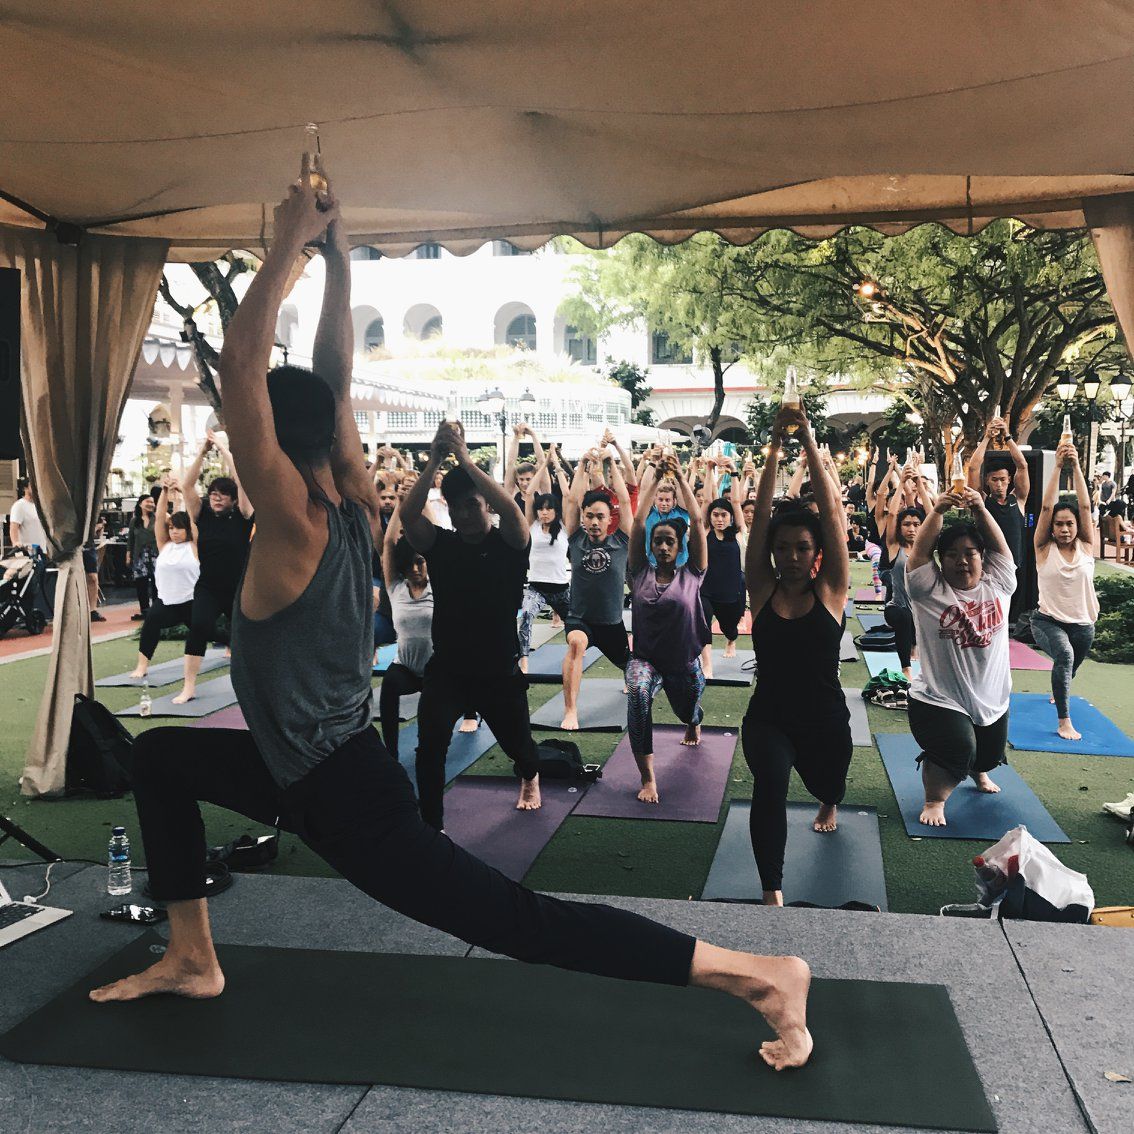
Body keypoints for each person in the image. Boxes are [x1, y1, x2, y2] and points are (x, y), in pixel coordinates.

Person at [90, 171, 812, 1072]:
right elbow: (332, 375)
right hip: (303, 768)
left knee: (518, 922)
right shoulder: (349, 492)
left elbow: (242, 370)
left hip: (343, 792)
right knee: (160, 757)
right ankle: (193, 956)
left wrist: (286, 243)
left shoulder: (292, 520)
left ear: (269, 440)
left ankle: (761, 975)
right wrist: (340, 256)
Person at [400, 419, 544, 824]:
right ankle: (432, 826)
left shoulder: (509, 544)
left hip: (498, 669)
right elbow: (408, 515)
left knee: (520, 747)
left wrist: (464, 458)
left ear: (486, 505)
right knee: (429, 747)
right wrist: (433, 462)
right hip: (448, 669)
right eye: (458, 505)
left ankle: (530, 775)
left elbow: (513, 510)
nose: (465, 513)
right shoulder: (441, 546)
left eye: (474, 504)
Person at [743, 402, 852, 906]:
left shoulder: (830, 591)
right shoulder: (762, 589)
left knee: (830, 782)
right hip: (769, 718)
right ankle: (772, 890)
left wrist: (808, 437)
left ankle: (830, 799)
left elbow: (831, 516)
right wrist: (774, 447)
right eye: (782, 548)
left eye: (801, 548)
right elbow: (762, 514)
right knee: (770, 785)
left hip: (825, 721)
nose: (790, 556)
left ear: (817, 554)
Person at [905, 486, 1016, 826]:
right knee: (957, 748)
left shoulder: (1000, 583)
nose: (962, 560)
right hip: (939, 697)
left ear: (982, 558)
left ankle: (980, 772)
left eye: (970, 553)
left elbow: (1002, 548)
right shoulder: (928, 589)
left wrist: (981, 509)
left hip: (992, 696)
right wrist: (936, 511)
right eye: (951, 554)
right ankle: (934, 799)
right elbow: (918, 555)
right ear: (941, 560)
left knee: (988, 755)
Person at [625, 454, 710, 803]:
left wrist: (680, 480)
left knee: (687, 709)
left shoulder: (693, 573)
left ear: (679, 547)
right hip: (645, 659)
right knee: (638, 694)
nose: (661, 546)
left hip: (683, 662)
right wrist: (654, 476)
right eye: (657, 541)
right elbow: (638, 525)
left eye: (669, 542)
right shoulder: (639, 572)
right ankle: (648, 778)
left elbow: (698, 523)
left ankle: (694, 720)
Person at [560, 443, 634, 731]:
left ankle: (629, 678)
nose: (594, 521)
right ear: (583, 517)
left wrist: (611, 463)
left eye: (600, 516)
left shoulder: (621, 541)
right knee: (576, 644)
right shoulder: (575, 538)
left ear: (609, 519)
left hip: (611, 621)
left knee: (629, 666)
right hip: (580, 617)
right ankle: (570, 711)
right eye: (589, 515)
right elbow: (571, 501)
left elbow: (626, 503)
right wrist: (581, 465)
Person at [177, 431, 254, 703]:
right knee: (198, 626)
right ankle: (189, 686)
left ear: (233, 500)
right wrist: (201, 452)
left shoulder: (243, 516)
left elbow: (243, 483)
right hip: (208, 586)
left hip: (238, 587)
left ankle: (253, 687)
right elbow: (187, 486)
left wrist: (225, 451)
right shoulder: (202, 515)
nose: (216, 498)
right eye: (213, 494)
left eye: (223, 495)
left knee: (245, 637)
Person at [1032, 441, 1099, 741]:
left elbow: (1085, 506)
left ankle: (1060, 689)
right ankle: (1064, 721)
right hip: (1047, 621)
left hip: (1084, 623)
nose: (1064, 529)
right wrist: (1058, 466)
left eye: (1069, 524)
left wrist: (1077, 467)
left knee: (1069, 666)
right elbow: (1047, 507)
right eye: (1058, 524)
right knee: (1066, 656)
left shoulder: (1087, 547)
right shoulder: (1043, 549)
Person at [377, 506, 434, 762]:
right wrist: (401, 504)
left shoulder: (439, 586)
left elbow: (436, 539)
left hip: (438, 670)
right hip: (407, 669)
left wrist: (415, 503)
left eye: (420, 561)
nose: (414, 568)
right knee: (389, 685)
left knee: (432, 715)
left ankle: (468, 713)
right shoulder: (395, 588)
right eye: (408, 563)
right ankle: (391, 753)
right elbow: (388, 543)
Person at [128, 478, 200, 679]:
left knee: (209, 632)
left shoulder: (194, 546)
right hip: (166, 601)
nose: (174, 532)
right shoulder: (164, 545)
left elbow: (194, 517)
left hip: (191, 601)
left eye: (178, 528)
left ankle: (230, 645)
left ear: (187, 530)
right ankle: (142, 666)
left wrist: (184, 492)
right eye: (172, 528)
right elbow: (160, 518)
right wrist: (165, 493)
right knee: (151, 623)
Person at [967, 414, 1030, 618]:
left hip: (1013, 567)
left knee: (1009, 616)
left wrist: (1008, 436)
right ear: (987, 481)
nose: (1000, 484)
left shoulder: (1017, 500)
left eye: (1003, 480)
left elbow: (1022, 465)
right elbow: (973, 467)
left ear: (1009, 480)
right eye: (995, 480)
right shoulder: (982, 501)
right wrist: (986, 438)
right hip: (987, 567)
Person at [517, 491, 570, 672]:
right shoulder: (532, 525)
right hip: (536, 587)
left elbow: (569, 496)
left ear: (556, 511)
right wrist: (544, 461)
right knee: (525, 615)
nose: (544, 513)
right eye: (540, 509)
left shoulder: (564, 527)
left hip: (560, 588)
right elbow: (530, 492)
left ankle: (577, 649)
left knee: (575, 623)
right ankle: (524, 658)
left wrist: (555, 465)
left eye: (548, 509)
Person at [700, 481, 747, 676]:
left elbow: (736, 501)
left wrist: (735, 474)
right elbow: (707, 500)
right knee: (702, 623)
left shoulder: (738, 534)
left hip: (731, 592)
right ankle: (707, 664)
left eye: (723, 515)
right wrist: (709, 471)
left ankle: (731, 640)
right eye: (715, 515)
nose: (719, 519)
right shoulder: (705, 532)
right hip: (706, 591)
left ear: (731, 517)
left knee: (730, 628)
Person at [127, 491, 159, 620]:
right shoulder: (135, 521)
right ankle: (145, 610)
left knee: (157, 583)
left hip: (156, 554)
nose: (151, 504)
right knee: (141, 584)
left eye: (152, 502)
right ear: (140, 504)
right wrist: (128, 555)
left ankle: (157, 610)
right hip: (139, 555)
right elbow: (130, 540)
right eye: (148, 502)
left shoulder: (158, 518)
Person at [8, 477, 47, 552]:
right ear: (25, 488)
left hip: (43, 551)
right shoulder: (19, 505)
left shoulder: (40, 506)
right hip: (28, 552)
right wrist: (15, 542)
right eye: (32, 485)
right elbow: (13, 527)